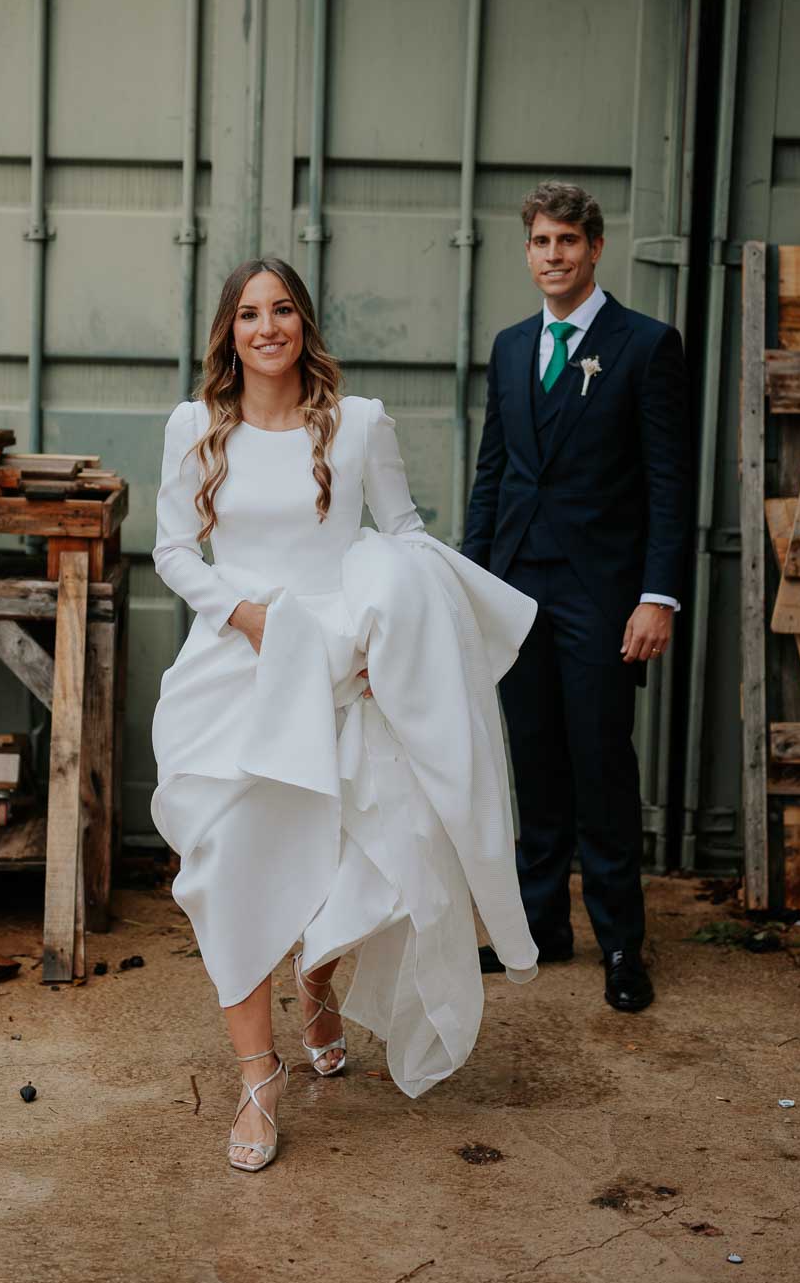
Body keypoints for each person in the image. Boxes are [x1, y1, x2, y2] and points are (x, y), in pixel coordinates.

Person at [151, 256, 540, 1172]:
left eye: (282, 309)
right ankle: (257, 1077)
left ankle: (316, 981)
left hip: (344, 668)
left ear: (304, 324)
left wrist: (388, 642)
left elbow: (404, 541)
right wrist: (240, 614)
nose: (266, 327)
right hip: (236, 666)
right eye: (248, 314)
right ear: (228, 332)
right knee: (222, 864)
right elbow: (173, 548)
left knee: (345, 857)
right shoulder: (194, 426)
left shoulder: (357, 425)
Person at [463, 182, 690, 1013]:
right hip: (517, 585)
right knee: (534, 761)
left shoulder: (644, 345)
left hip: (602, 593)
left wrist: (656, 595)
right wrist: (469, 581)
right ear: (526, 252)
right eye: (539, 242)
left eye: (567, 241)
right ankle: (537, 928)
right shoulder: (513, 344)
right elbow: (493, 475)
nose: (552, 255)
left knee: (600, 763)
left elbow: (669, 485)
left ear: (594, 249)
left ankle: (621, 943)